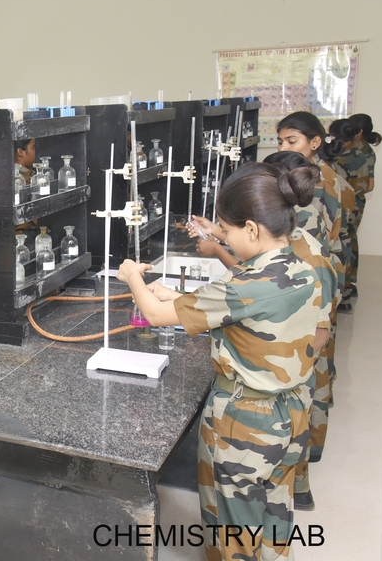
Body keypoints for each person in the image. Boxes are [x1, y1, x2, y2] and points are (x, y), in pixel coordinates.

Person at [117, 166, 323, 561]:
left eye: (226, 232)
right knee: (275, 513)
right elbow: (244, 306)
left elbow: (156, 316)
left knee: (233, 531)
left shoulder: (244, 286)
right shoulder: (300, 269)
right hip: (292, 412)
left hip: (245, 422)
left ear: (252, 230)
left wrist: (132, 278)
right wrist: (176, 296)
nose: (223, 238)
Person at [190, 157, 339, 512]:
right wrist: (221, 235)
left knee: (250, 503)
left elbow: (318, 333)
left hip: (279, 390)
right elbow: (254, 280)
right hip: (277, 394)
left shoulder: (308, 256)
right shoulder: (283, 245)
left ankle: (300, 490)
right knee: (271, 497)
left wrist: (269, 367)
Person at [277, 111, 354, 310]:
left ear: (315, 142)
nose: (283, 148)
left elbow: (327, 234)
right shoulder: (304, 172)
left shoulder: (321, 178)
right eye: (280, 142)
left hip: (319, 266)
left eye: (291, 141)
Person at [330, 114, 381, 298]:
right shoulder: (356, 152)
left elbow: (369, 185)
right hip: (351, 202)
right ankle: (348, 283)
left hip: (348, 204)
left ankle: (346, 285)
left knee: (344, 241)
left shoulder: (357, 154)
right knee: (348, 240)